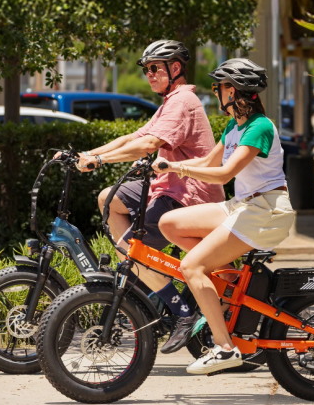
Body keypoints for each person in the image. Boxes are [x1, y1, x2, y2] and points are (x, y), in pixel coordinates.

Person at [75, 40, 225, 354]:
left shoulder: (183, 101)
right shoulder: (170, 102)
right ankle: (146, 279)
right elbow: (135, 136)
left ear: (176, 68)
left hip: (189, 196)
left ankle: (180, 310)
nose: (149, 74)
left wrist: (100, 161)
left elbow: (150, 143)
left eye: (155, 67)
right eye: (146, 70)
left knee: (133, 254)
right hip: (168, 189)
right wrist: (88, 154)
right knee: (108, 199)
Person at [152, 58, 295, 374]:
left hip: (266, 211)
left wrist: (178, 167)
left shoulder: (259, 127)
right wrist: (169, 165)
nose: (216, 92)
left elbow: (225, 174)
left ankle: (225, 347)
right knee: (169, 223)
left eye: (219, 87)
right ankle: (230, 288)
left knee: (192, 267)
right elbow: (209, 160)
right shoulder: (234, 126)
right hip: (243, 206)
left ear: (235, 91)